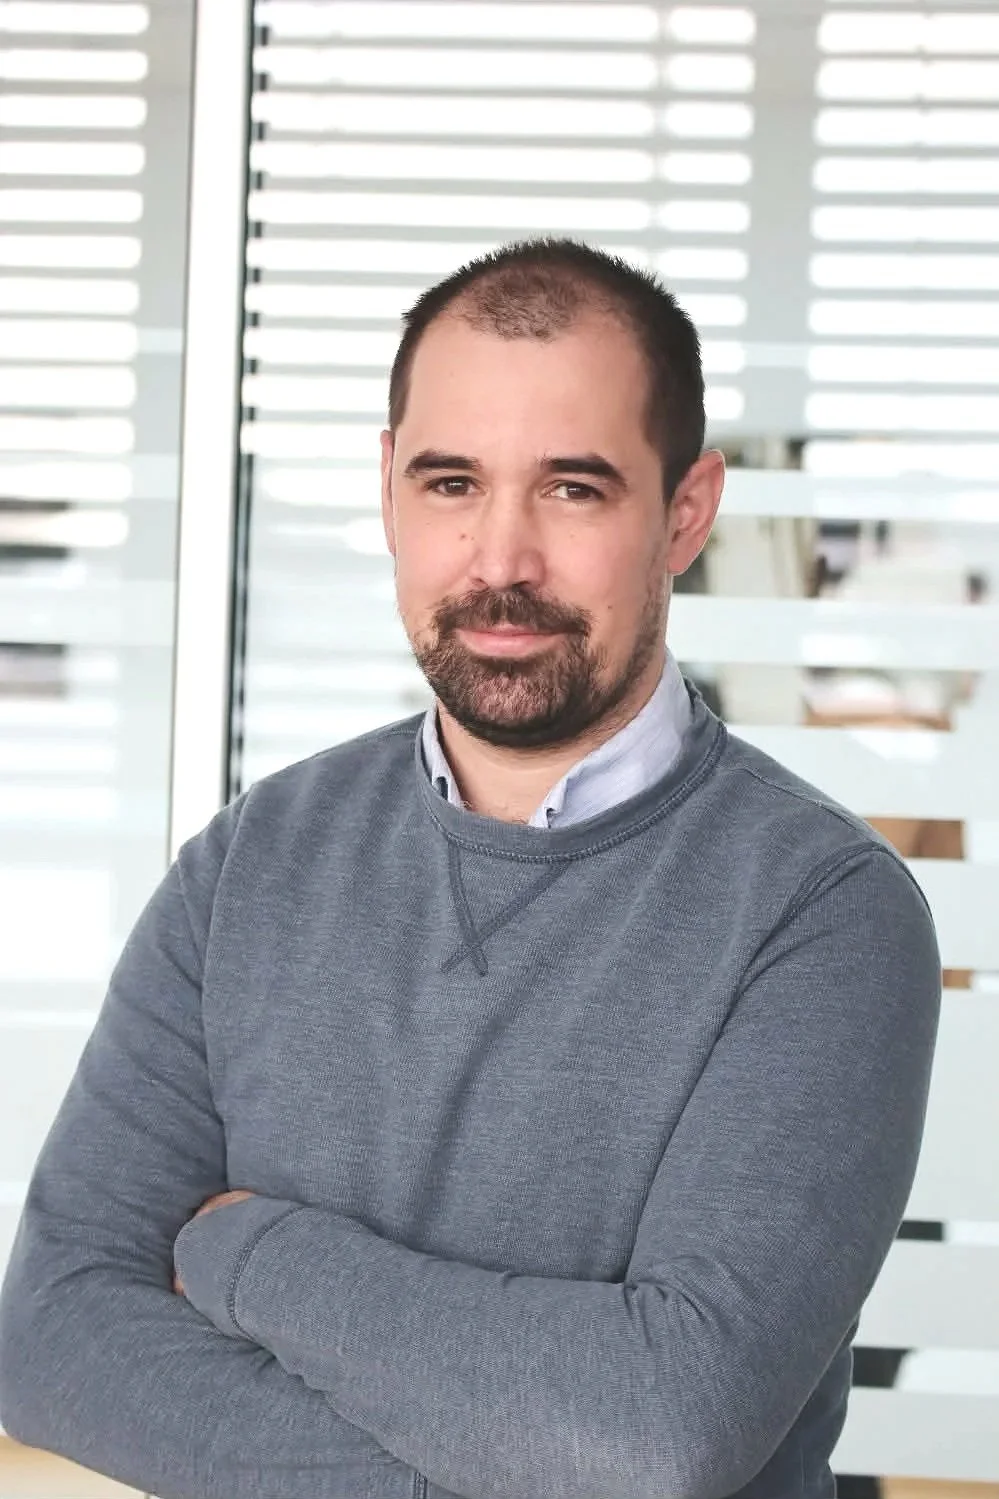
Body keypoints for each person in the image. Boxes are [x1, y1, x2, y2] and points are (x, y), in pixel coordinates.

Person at [0, 239, 941, 1499]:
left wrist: (246, 1252)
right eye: (452, 481)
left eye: (573, 488)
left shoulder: (825, 915)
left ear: (687, 512)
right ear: (389, 490)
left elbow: (657, 1435)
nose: (501, 561)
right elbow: (56, 1338)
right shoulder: (249, 865)